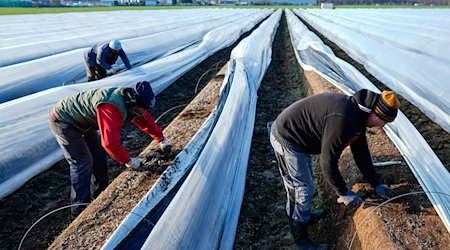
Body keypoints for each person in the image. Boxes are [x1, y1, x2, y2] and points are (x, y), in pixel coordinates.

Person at [270, 89, 400, 249]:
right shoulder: (344, 120)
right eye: (385, 122)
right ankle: (301, 240)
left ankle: (305, 216)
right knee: (301, 190)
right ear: (376, 114)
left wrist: (375, 182)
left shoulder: (358, 115)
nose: (384, 126)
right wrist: (343, 192)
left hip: (301, 139)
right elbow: (327, 162)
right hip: (287, 138)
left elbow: (361, 152)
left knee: (307, 183)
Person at [48, 81, 172, 216]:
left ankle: (100, 193)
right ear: (134, 102)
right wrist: (128, 161)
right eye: (143, 108)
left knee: (98, 155)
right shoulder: (111, 107)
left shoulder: (132, 103)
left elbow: (144, 119)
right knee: (82, 161)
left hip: (84, 120)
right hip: (63, 120)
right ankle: (79, 210)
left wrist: (161, 139)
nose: (144, 112)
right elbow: (110, 143)